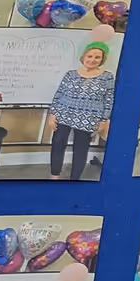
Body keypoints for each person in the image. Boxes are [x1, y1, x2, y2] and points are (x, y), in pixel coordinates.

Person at [48, 42, 114, 179]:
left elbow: (109, 100)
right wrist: (52, 115)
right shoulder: (70, 74)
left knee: (81, 150)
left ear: (102, 60)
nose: (92, 60)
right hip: (64, 114)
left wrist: (104, 120)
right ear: (83, 57)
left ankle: (74, 180)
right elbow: (59, 94)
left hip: (89, 119)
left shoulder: (107, 77)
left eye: (97, 57)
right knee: (58, 144)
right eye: (90, 56)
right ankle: (55, 175)